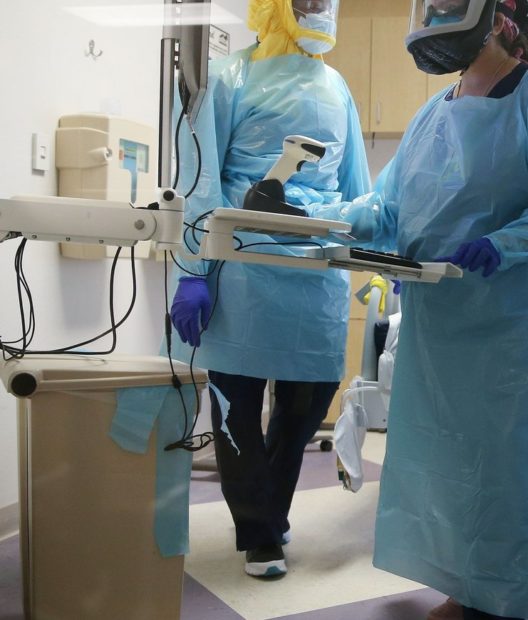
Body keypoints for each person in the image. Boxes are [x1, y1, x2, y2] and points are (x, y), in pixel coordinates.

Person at [318, 1, 528, 617]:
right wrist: (322, 219)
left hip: (516, 328)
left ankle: (507, 603)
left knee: (509, 475)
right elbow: (390, 210)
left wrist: (505, 244)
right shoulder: (434, 113)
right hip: (441, 328)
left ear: (503, 21)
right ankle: (466, 590)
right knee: (448, 468)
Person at [167, 0, 369, 578]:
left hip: (314, 270)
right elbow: (199, 180)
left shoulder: (336, 87)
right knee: (237, 405)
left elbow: (358, 185)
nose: (316, 9)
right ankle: (259, 533)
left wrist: (380, 260)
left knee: (309, 400)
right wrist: (192, 271)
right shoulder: (230, 77)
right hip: (244, 265)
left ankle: (269, 512)